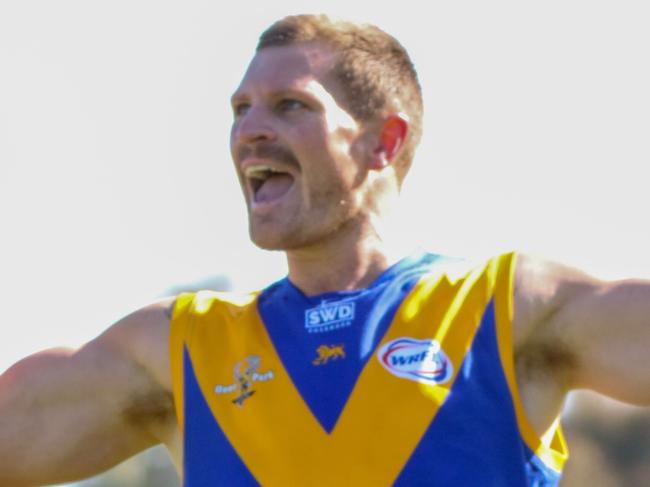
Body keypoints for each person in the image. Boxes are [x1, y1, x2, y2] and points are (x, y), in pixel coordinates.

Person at [0, 14, 648, 487]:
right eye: (241, 108)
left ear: (383, 143)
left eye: (290, 106)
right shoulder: (183, 349)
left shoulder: (502, 310)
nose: (249, 131)